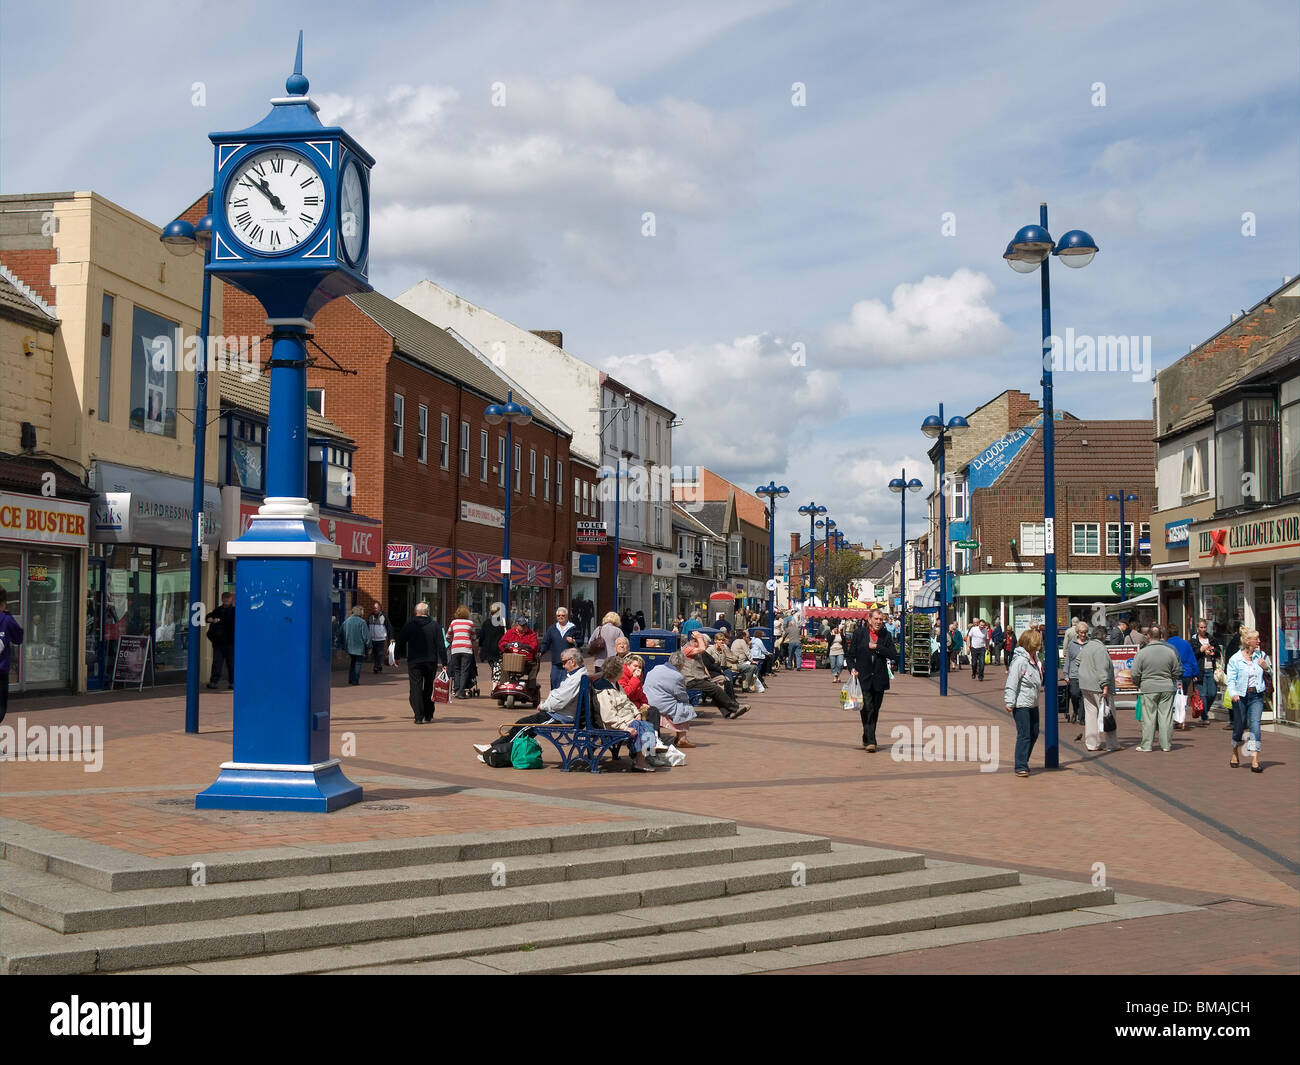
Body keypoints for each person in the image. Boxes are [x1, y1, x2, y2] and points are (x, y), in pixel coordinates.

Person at [594, 658, 660, 772]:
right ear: (617, 672)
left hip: (626, 718)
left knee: (647, 725)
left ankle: (643, 757)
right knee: (643, 728)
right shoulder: (604, 690)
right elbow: (608, 717)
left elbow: (627, 701)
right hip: (616, 724)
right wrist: (625, 728)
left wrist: (636, 712)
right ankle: (640, 761)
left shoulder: (615, 684)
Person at [1129, 625, 1182, 753]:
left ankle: (1147, 745)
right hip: (1167, 687)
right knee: (1166, 717)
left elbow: (1135, 673)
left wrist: (1139, 683)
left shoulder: (1142, 653)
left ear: (1148, 636)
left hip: (1148, 687)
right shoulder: (1170, 652)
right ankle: (1166, 745)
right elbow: (1177, 670)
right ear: (1161, 636)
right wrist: (1171, 679)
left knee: (1148, 717)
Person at [393, 602, 448, 723]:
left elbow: (400, 641)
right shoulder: (435, 626)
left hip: (415, 661)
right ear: (427, 612)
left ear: (416, 612)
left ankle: (418, 716)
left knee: (415, 687)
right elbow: (441, 645)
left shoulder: (410, 625)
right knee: (429, 687)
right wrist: (445, 662)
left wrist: (396, 657)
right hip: (430, 661)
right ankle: (428, 714)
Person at [850, 609, 895, 753]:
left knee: (874, 710)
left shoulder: (886, 635)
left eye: (881, 619)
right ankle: (871, 740)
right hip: (863, 677)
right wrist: (851, 668)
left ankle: (866, 735)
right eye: (876, 619)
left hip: (879, 678)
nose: (878, 622)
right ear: (869, 620)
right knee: (867, 708)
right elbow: (850, 655)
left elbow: (893, 654)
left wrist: (877, 647)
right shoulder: (859, 634)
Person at [1226, 629, 1269, 773]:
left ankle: (1255, 760)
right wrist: (1233, 694)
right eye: (1256, 639)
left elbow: (1271, 672)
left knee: (1255, 726)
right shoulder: (1235, 659)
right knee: (1239, 726)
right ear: (1247, 641)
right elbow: (1230, 680)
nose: (1259, 641)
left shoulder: (1261, 655)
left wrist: (1266, 667)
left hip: (1256, 696)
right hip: (1241, 697)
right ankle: (1235, 751)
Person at [1004, 628, 1045, 777]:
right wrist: (1009, 701)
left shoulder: (1035, 659)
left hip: (1033, 702)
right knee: (1024, 734)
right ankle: (1020, 765)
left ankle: (1023, 760)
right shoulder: (1020, 661)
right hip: (1021, 704)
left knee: (1034, 733)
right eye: (1037, 644)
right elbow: (1012, 681)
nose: (1039, 646)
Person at [682, 631, 749, 718]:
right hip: (692, 680)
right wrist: (699, 637)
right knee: (716, 689)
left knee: (715, 691)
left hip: (698, 678)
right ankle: (735, 708)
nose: (706, 645)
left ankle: (727, 713)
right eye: (703, 642)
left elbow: (704, 665)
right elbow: (702, 649)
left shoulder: (694, 650)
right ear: (694, 641)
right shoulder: (688, 649)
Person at [1075, 626, 1119, 751]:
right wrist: (1105, 685)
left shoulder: (1087, 646)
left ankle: (1092, 743)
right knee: (1108, 714)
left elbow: (1077, 661)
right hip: (1098, 687)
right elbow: (1102, 668)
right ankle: (1112, 744)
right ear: (1104, 636)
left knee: (1090, 715)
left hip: (1085, 685)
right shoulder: (1101, 649)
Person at [642, 649, 699, 727]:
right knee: (687, 708)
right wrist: (687, 702)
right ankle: (681, 738)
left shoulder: (657, 667)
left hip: (647, 701)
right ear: (682, 664)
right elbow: (682, 696)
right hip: (660, 706)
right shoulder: (677, 676)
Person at [1166, 628, 1200, 731]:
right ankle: (1182, 720)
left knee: (1174, 696)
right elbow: (1192, 658)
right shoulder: (1186, 644)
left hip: (1174, 673)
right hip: (1186, 673)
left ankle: (1175, 718)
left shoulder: (1167, 644)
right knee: (1183, 696)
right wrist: (1195, 672)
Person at [539, 606, 579, 691]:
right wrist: (540, 652)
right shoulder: (552, 629)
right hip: (556, 662)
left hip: (569, 662)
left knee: (568, 684)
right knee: (554, 682)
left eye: (563, 615)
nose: (560, 617)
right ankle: (555, 702)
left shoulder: (573, 628)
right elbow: (546, 642)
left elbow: (581, 640)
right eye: (558, 616)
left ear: (567, 616)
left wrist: (574, 641)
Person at [1192, 618, 1221, 726]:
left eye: (1205, 627)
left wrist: (1213, 651)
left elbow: (1218, 652)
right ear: (1197, 628)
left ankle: (1205, 711)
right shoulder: (1194, 639)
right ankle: (1204, 717)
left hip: (1211, 669)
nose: (1203, 629)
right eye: (1201, 627)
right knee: (1203, 694)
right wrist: (1201, 650)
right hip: (1200, 670)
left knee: (1212, 693)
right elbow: (1193, 654)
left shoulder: (1211, 638)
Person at [0, 587, 23, 724]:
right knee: (1, 707)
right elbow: (18, 638)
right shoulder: (7, 620)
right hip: (1, 671)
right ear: (3, 604)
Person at [204, 592, 236, 690]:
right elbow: (208, 617)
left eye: (228, 599)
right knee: (217, 662)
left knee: (231, 663)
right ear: (222, 599)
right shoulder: (218, 610)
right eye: (225, 599)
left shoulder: (235, 611)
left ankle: (232, 682)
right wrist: (210, 619)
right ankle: (214, 681)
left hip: (230, 641)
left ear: (231, 599)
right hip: (219, 642)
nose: (226, 601)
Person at [446, 605, 479, 698]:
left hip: (455, 649)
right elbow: (474, 637)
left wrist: (453, 641)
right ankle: (460, 691)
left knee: (456, 670)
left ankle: (456, 689)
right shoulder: (470, 623)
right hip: (466, 649)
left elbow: (447, 636)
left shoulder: (453, 622)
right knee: (465, 670)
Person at [1063, 621, 1090, 725]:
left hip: (1086, 674)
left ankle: (1082, 718)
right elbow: (1068, 660)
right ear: (1077, 632)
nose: (1083, 635)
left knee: (1084, 696)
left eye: (1085, 632)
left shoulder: (1089, 643)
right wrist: (1066, 674)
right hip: (1074, 674)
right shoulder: (1072, 644)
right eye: (1081, 632)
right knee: (1074, 694)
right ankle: (1075, 710)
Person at [340, 605, 370, 685]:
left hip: (349, 647)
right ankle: (355, 680)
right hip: (359, 647)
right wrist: (369, 646)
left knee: (353, 662)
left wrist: (343, 644)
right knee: (358, 663)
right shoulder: (362, 622)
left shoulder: (346, 621)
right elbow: (366, 637)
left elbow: (341, 633)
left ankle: (351, 678)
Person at [479, 602, 505, 685]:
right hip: (498, 650)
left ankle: (495, 681)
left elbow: (481, 636)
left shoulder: (486, 623)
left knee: (494, 667)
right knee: (497, 667)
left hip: (488, 650)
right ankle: (494, 687)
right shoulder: (503, 622)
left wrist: (480, 646)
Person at [368, 602, 390, 673]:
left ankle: (376, 667)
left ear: (380, 608)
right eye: (374, 608)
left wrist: (391, 637)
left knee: (380, 653)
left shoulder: (384, 617)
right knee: (375, 653)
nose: (375, 609)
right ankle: (379, 666)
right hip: (372, 639)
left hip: (381, 639)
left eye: (376, 608)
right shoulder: (370, 616)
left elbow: (389, 627)